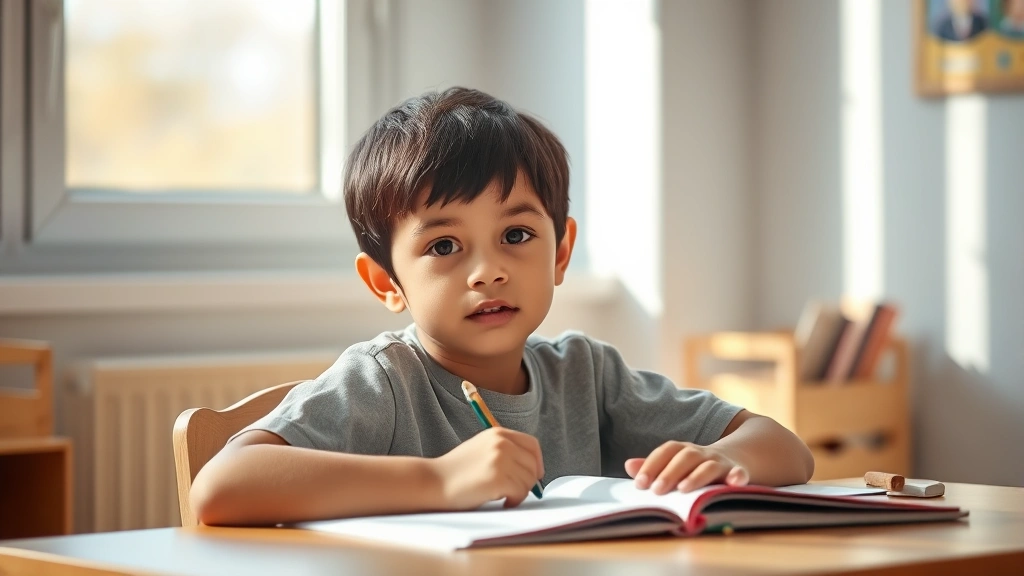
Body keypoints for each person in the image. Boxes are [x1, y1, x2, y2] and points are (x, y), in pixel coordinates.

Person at [189, 87, 814, 526]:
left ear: (561, 250)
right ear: (386, 282)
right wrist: (439, 482)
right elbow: (219, 488)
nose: (488, 270)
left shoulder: (586, 374)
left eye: (516, 236)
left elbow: (787, 449)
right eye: (444, 245)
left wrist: (723, 458)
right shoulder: (384, 381)